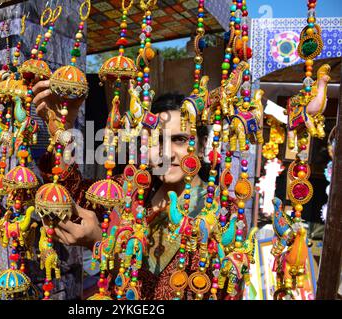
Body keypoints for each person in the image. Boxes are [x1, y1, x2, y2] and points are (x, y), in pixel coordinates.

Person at [32, 79, 219, 299]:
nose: (166, 154)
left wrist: (100, 242)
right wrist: (64, 126)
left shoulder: (218, 213)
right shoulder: (132, 189)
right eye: (156, 140)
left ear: (202, 144)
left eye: (179, 140)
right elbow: (73, 196)